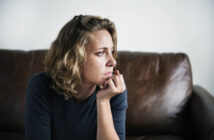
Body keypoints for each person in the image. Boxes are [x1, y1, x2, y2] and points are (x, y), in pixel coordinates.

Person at [25, 15, 128, 140]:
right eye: (101, 53)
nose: (113, 62)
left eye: (111, 52)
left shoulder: (114, 90)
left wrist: (103, 101)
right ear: (73, 58)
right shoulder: (40, 86)